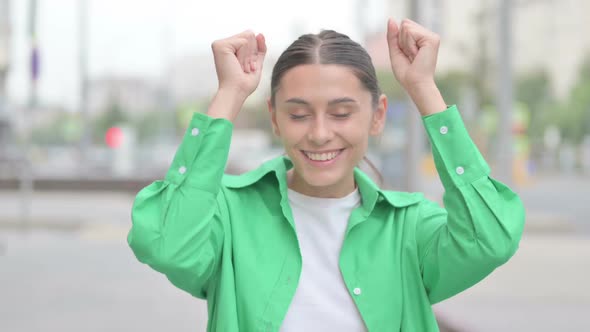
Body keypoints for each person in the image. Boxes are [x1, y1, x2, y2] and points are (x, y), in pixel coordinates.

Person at [128, 18, 525, 331]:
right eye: (298, 114)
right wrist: (230, 94)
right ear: (275, 119)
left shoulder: (409, 228)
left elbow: (489, 239)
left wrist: (423, 89)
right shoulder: (228, 215)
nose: (319, 133)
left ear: (378, 115)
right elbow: (164, 243)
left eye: (341, 113)